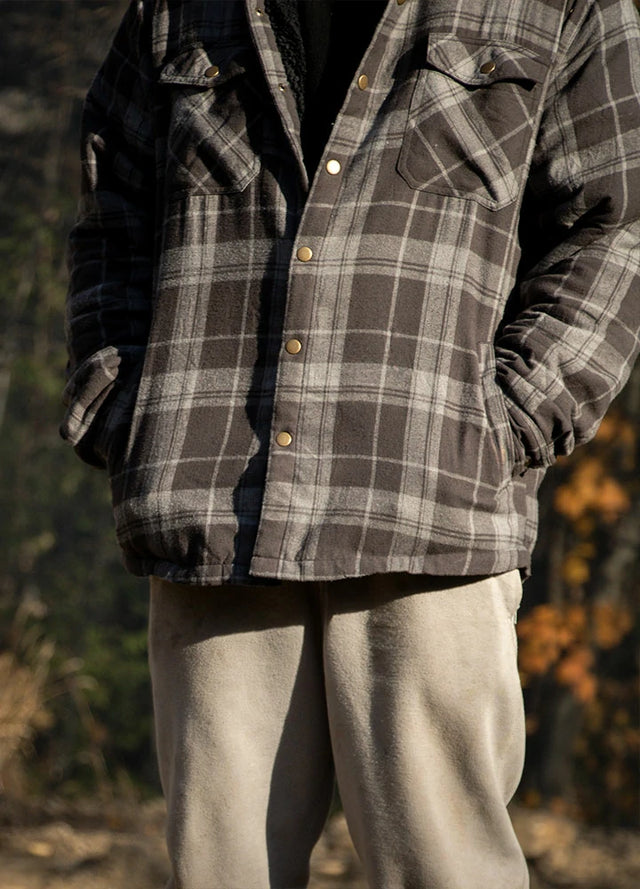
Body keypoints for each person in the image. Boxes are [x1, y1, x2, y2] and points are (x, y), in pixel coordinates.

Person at [61, 0, 640, 886]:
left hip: (431, 506)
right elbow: (113, 213)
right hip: (214, 509)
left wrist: (510, 420)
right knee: (222, 872)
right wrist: (120, 401)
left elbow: (615, 222)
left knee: (447, 868)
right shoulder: (179, 8)